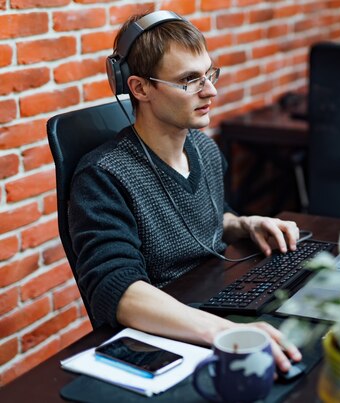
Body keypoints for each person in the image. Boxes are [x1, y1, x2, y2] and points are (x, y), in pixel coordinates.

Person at [68, 11, 302, 372]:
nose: (211, 90)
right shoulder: (103, 176)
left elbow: (210, 217)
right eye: (190, 80)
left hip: (218, 302)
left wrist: (244, 224)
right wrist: (224, 332)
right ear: (139, 88)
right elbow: (116, 290)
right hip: (168, 339)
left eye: (209, 73)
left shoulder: (203, 148)